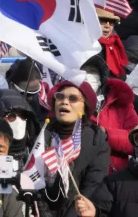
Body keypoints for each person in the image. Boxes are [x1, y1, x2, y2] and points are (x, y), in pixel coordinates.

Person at [38, 81, 110, 217]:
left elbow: (91, 190)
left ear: (85, 108)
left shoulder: (97, 144)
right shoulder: (41, 134)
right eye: (60, 97)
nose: (64, 102)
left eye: (73, 98)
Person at [81, 55, 138, 173]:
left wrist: (107, 134)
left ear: (102, 76)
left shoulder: (121, 103)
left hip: (113, 176)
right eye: (83, 71)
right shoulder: (67, 101)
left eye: (92, 71)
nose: (87, 75)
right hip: (79, 175)